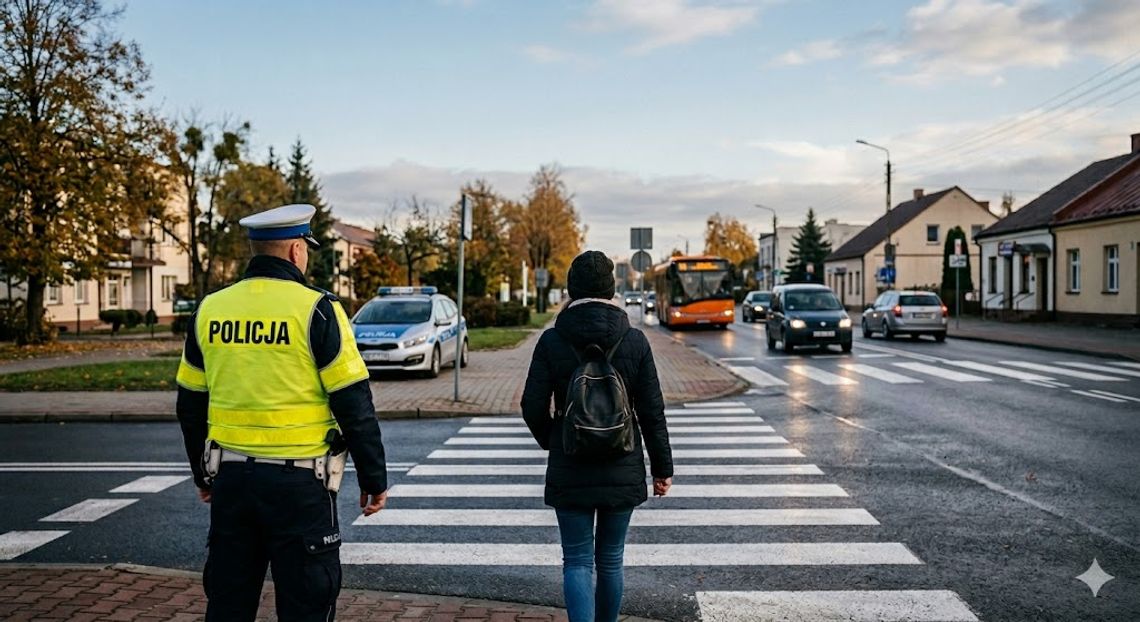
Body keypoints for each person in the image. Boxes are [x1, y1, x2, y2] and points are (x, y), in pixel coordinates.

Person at [175, 203, 389, 621]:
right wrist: (373, 479)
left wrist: (202, 474)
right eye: (305, 248)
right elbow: (354, 404)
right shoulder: (318, 309)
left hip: (232, 482)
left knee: (228, 605)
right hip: (301, 487)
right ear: (296, 250)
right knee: (306, 605)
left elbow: (190, 404)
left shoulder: (210, 309)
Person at [521, 250, 673, 622]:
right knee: (610, 559)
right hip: (622, 461)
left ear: (572, 289)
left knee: (576, 559)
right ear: (611, 289)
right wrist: (662, 468)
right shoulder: (635, 341)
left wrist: (555, 438)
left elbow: (531, 405)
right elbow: (651, 411)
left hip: (571, 463)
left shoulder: (552, 341)